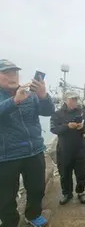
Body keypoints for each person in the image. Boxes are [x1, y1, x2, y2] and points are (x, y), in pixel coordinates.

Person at [0, 59, 55, 227]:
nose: (12, 76)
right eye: (7, 73)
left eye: (15, 72)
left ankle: (33, 214)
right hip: (6, 155)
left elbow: (48, 112)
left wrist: (43, 96)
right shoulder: (16, 96)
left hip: (34, 150)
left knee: (37, 188)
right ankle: (10, 222)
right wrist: (14, 101)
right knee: (6, 196)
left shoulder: (29, 93)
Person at [50, 91, 85, 205]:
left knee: (81, 172)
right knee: (64, 172)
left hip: (80, 147)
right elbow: (54, 129)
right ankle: (67, 193)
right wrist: (67, 126)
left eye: (75, 99)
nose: (73, 101)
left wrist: (83, 127)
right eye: (71, 99)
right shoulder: (57, 114)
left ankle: (81, 192)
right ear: (65, 100)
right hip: (64, 148)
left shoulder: (83, 112)